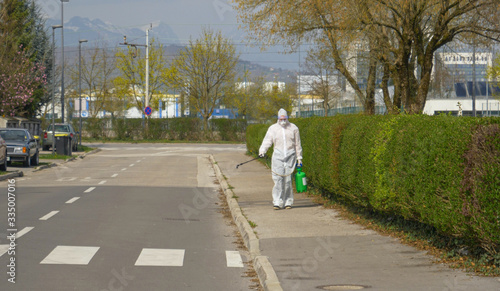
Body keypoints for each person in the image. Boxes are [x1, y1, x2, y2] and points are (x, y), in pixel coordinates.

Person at [259, 108, 303, 210]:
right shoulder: (273, 128)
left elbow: (297, 144)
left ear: (287, 118)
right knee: (278, 179)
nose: (283, 120)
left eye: (285, 118)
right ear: (278, 118)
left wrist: (299, 157)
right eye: (281, 118)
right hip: (278, 156)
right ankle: (277, 201)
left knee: (287, 180)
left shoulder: (293, 128)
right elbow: (267, 140)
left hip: (290, 156)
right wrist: (262, 151)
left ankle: (288, 201)